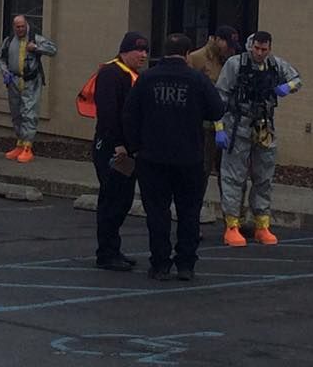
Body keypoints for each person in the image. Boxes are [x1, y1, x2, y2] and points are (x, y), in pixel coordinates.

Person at [123, 33, 225, 281]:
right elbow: (217, 110)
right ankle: (186, 264)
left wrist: (135, 147)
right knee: (189, 212)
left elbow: (129, 115)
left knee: (157, 213)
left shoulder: (147, 78)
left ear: (164, 51)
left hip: (152, 157)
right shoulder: (197, 79)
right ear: (187, 54)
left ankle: (160, 264)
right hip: (189, 157)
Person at [215, 30, 301, 247]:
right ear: (250, 46)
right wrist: (219, 128)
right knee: (234, 177)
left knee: (264, 177)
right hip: (238, 126)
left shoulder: (275, 65)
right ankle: (232, 225)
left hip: (264, 127)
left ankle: (262, 224)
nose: (260, 53)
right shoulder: (236, 64)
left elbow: (297, 79)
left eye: (264, 49)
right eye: (257, 48)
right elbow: (220, 96)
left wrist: (287, 87)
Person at [92, 31, 149, 271]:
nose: (143, 55)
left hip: (128, 150)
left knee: (123, 199)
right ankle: (106, 253)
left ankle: (113, 248)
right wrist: (117, 143)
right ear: (125, 51)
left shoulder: (134, 76)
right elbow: (107, 112)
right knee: (112, 199)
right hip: (112, 149)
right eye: (139, 50)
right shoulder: (110, 73)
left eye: (146, 51)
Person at [187, 25, 242, 221]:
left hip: (227, 126)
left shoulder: (231, 61)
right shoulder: (197, 58)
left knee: (228, 175)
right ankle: (192, 220)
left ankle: (232, 221)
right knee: (200, 173)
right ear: (218, 40)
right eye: (228, 44)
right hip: (204, 127)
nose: (231, 49)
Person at [0, 15, 57, 163]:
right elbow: (1, 59)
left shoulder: (35, 39)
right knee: (16, 113)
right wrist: (5, 72)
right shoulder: (8, 41)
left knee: (29, 113)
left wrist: (36, 48)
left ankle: (27, 146)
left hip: (31, 81)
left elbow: (53, 50)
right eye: (17, 27)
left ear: (26, 25)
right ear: (14, 27)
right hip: (14, 81)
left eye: (22, 26)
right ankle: (20, 143)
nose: (20, 29)